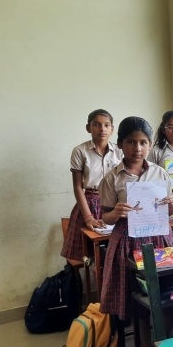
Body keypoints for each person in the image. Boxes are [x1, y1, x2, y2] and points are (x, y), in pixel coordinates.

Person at [98, 117, 173, 321]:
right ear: (120, 144)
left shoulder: (160, 173)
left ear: (150, 144)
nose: (137, 148)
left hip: (159, 237)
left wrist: (172, 206)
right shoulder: (112, 178)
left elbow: (167, 211)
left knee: (165, 293)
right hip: (127, 240)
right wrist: (115, 213)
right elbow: (106, 217)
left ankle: (164, 336)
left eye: (143, 142)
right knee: (136, 296)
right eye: (131, 142)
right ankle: (142, 338)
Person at [61, 109, 122, 262]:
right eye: (97, 124)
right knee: (91, 256)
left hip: (114, 204)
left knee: (116, 251)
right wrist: (88, 218)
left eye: (106, 125)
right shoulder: (80, 151)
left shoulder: (119, 152)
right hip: (90, 204)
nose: (102, 129)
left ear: (112, 129)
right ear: (88, 128)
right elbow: (77, 187)